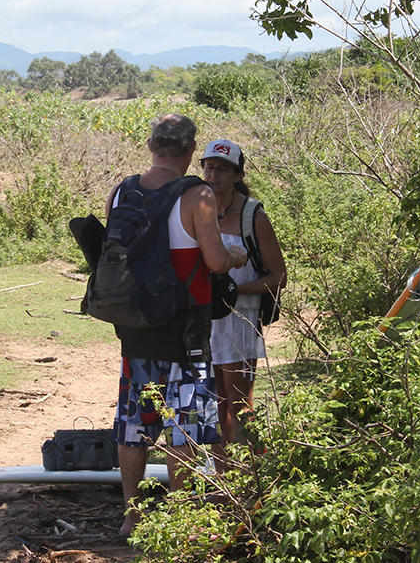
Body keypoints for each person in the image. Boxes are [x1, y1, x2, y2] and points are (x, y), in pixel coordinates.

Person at [108, 115, 248, 538]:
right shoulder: (197, 194)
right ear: (190, 153)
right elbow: (216, 261)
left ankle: (133, 516)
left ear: (151, 145)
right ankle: (178, 520)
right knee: (182, 428)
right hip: (184, 331)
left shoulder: (121, 191)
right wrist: (236, 257)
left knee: (133, 426)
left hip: (135, 328)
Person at [200, 139, 287, 458]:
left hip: (239, 323)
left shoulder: (253, 216)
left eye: (223, 169)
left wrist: (236, 291)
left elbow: (278, 276)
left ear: (237, 175)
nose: (214, 174)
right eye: (209, 166)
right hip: (203, 322)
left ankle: (256, 482)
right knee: (214, 409)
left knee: (240, 407)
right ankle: (226, 489)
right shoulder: (197, 207)